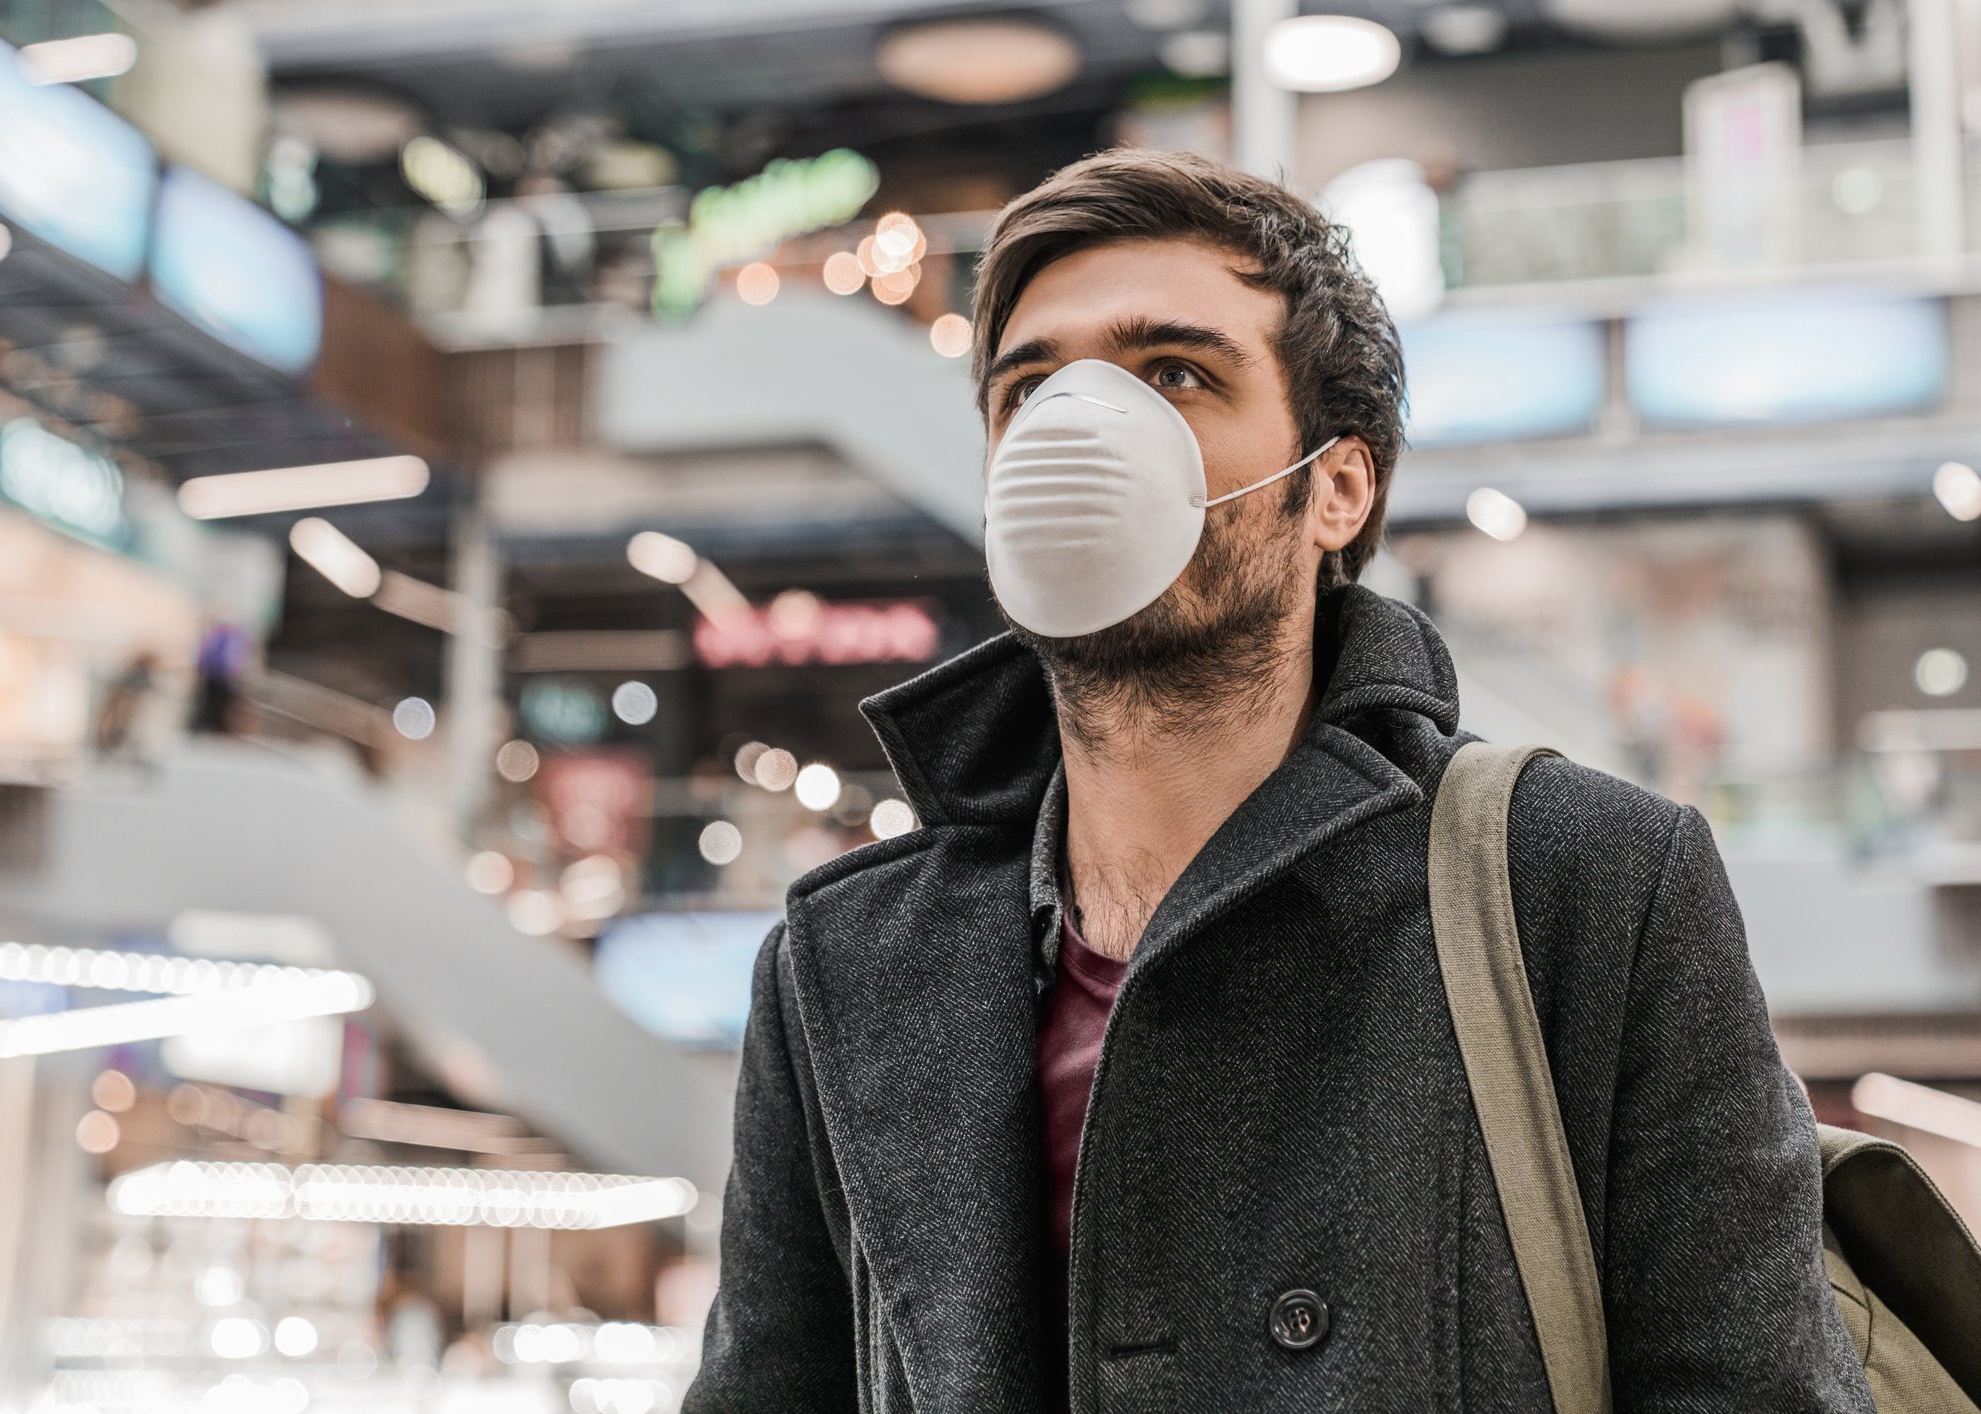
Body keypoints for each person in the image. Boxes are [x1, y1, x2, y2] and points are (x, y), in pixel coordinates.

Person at [684, 151, 1869, 1412]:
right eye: (1029, 391)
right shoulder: (848, 964)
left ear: (1335, 486)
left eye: (1175, 375)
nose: (1082, 432)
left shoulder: (1581, 891)